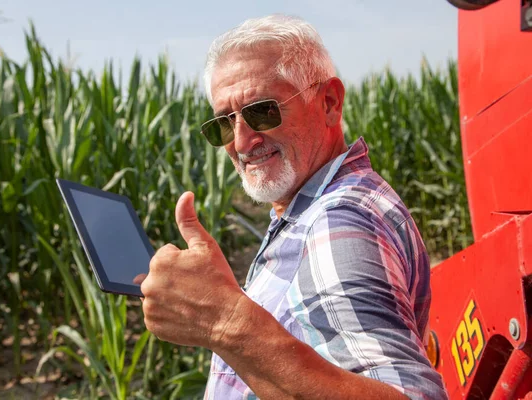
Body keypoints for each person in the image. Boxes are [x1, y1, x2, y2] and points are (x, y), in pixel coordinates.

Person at [137, 14, 448, 400]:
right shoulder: (305, 209)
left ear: (329, 102)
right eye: (223, 123)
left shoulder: (339, 222)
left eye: (261, 111)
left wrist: (225, 320)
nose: (241, 141)